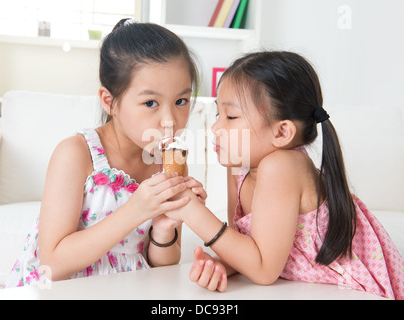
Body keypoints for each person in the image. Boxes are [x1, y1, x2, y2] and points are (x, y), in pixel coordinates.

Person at [167, 51, 404, 299]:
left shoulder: (282, 166)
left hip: (356, 290)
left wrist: (192, 210)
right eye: (218, 114)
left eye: (231, 116)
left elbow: (263, 269)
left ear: (281, 132)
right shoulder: (238, 166)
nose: (216, 127)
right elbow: (250, 245)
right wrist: (223, 263)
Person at [4, 19, 205, 287]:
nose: (169, 119)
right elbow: (52, 265)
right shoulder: (76, 154)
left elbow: (164, 264)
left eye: (181, 101)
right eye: (150, 103)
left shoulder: (168, 164)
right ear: (109, 101)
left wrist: (165, 227)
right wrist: (136, 210)